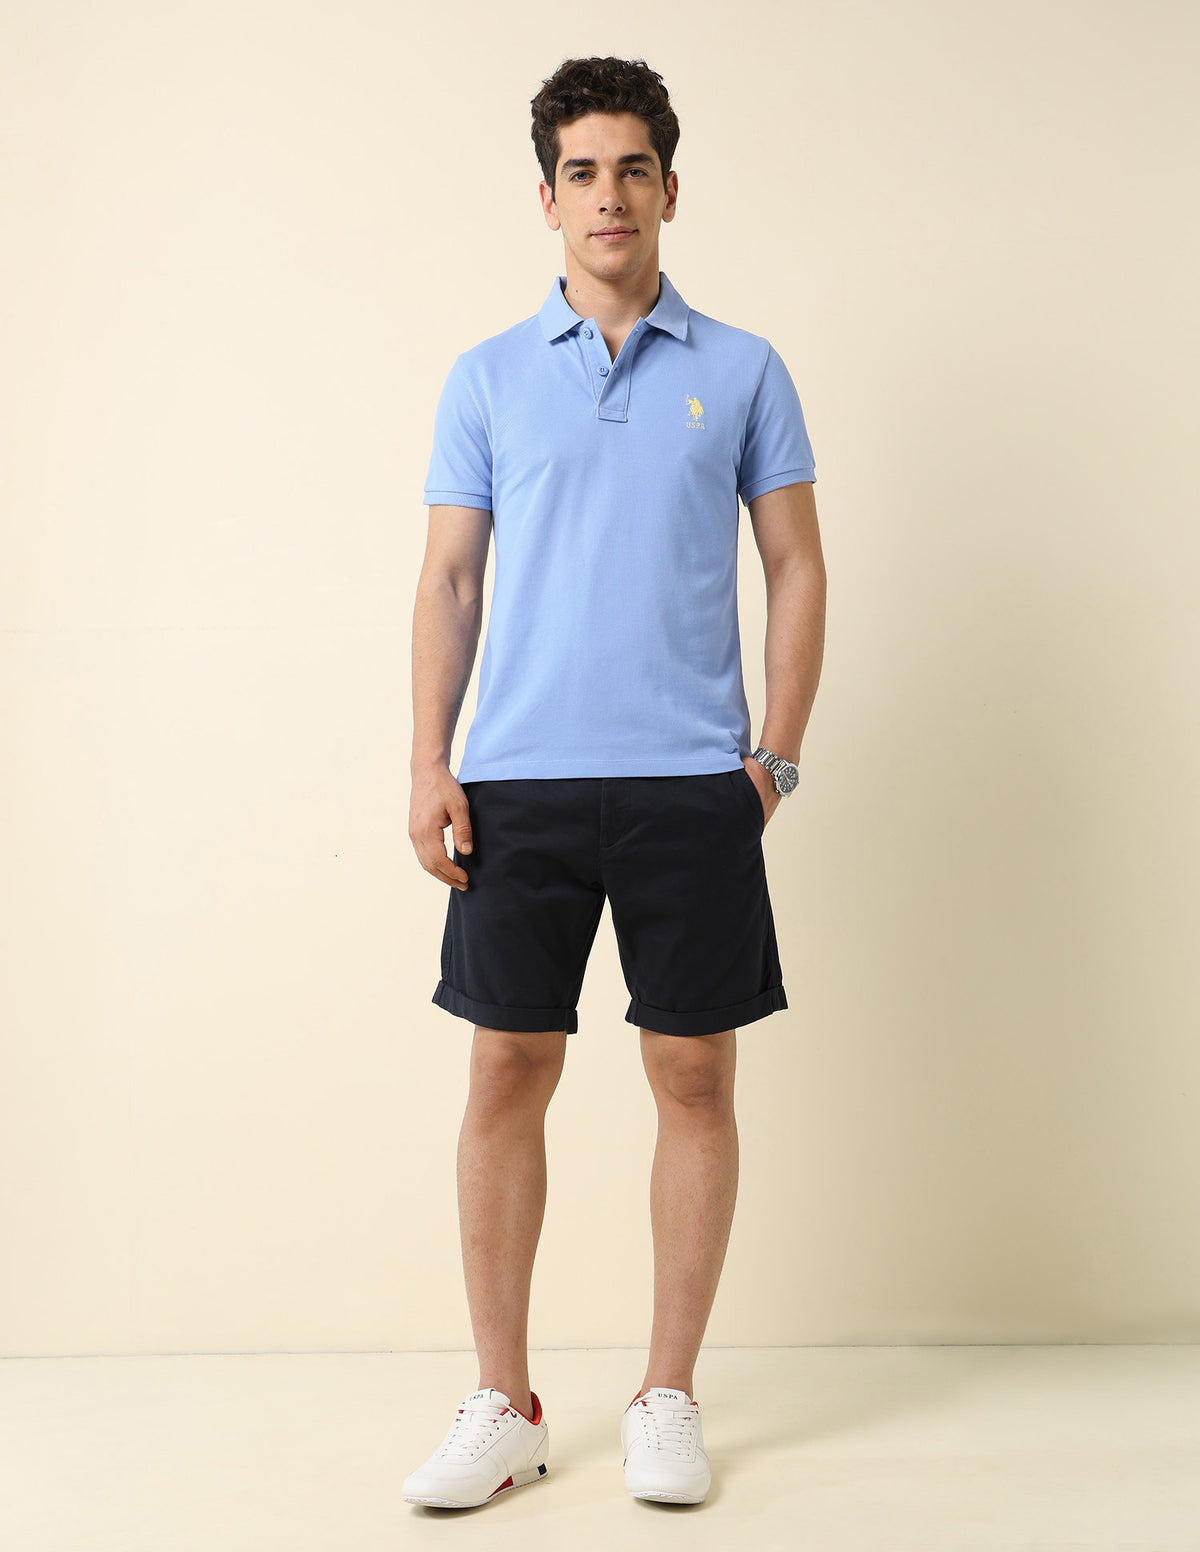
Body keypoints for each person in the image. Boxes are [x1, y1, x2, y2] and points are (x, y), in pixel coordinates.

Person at [403, 54, 826, 1510]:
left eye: (632, 168)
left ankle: (666, 1394)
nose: (608, 196)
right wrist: (429, 761)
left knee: (693, 1076)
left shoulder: (744, 369)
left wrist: (772, 757)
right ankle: (503, 1402)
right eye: (581, 171)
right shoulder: (486, 377)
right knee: (504, 1072)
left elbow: (795, 564)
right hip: (516, 785)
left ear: (669, 189)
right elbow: (450, 580)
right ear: (548, 198)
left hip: (691, 786)